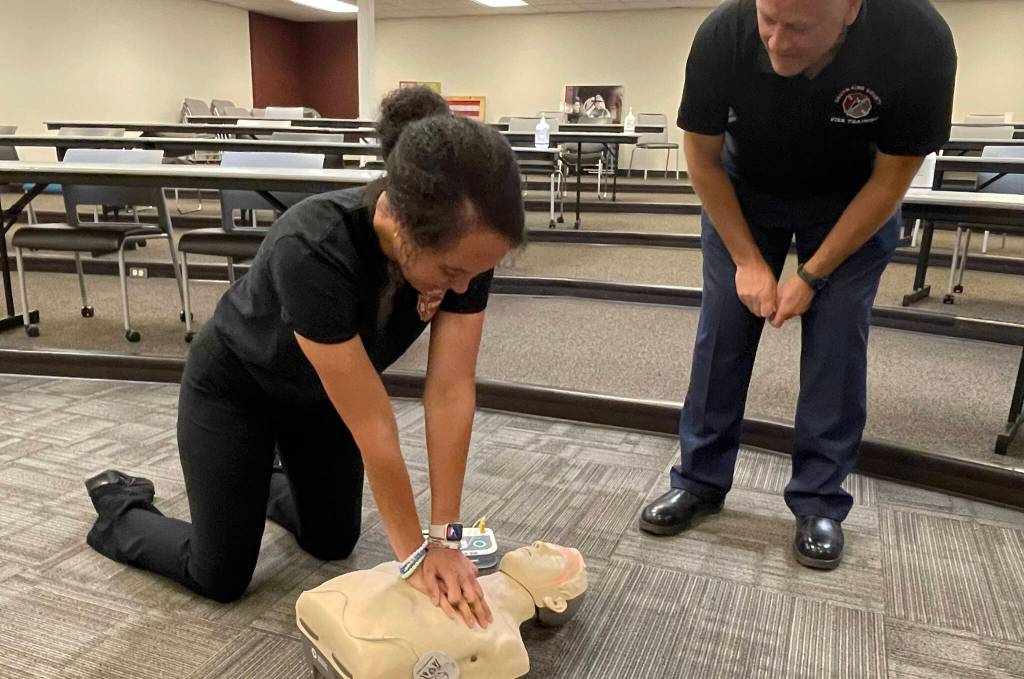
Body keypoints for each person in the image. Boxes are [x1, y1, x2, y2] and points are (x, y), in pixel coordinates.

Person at [83, 86, 526, 629]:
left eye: (476, 273)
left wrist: (446, 537)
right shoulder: (315, 246)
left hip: (318, 401)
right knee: (219, 575)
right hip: (236, 392)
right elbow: (372, 421)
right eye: (453, 273)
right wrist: (417, 556)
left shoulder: (466, 253)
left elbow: (451, 389)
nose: (465, 285)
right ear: (404, 226)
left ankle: (255, 474)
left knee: (334, 541)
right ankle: (121, 505)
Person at [639, 0, 956, 569]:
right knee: (723, 333)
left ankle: (819, 502)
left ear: (851, 11)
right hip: (744, 193)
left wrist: (812, 275)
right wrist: (748, 261)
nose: (778, 41)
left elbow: (890, 182)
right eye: (769, 19)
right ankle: (699, 481)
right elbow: (704, 160)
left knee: (836, 342)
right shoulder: (724, 32)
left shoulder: (918, 38)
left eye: (801, 28)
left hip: (854, 201)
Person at [296, 542, 587, 679]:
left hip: (365, 652)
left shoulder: (507, 647)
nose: (539, 544)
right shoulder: (444, 571)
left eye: (556, 556)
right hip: (337, 603)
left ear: (556, 601)